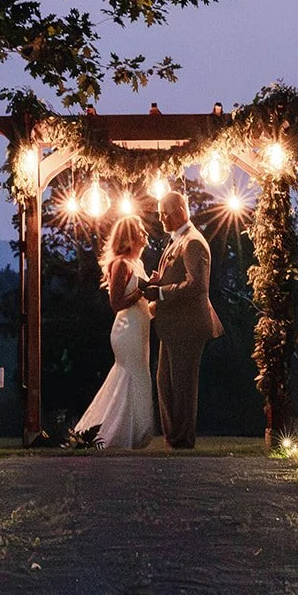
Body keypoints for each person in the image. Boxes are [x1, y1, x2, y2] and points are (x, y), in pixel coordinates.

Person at [143, 191, 224, 449]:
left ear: (180, 211)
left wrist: (162, 293)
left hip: (188, 326)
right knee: (166, 383)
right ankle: (173, 438)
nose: (161, 219)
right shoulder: (176, 240)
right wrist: (160, 281)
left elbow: (197, 285)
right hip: (173, 326)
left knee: (183, 385)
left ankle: (183, 439)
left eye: (164, 214)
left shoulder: (193, 242)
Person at [73, 214, 156, 449]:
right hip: (126, 329)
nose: (146, 234)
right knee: (130, 376)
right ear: (130, 237)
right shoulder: (120, 264)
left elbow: (142, 304)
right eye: (141, 230)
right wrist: (143, 290)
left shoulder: (137, 265)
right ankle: (115, 432)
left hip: (139, 328)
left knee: (138, 377)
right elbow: (117, 303)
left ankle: (133, 431)